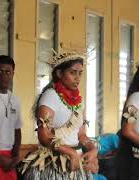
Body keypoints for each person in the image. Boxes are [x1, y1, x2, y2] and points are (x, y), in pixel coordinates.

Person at [18, 51, 98, 179]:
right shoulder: (50, 96)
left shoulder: (79, 100)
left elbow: (81, 135)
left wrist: (93, 149)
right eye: (72, 72)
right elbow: (44, 135)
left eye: (80, 73)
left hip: (76, 160)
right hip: (54, 162)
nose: (77, 78)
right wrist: (70, 152)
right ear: (60, 73)